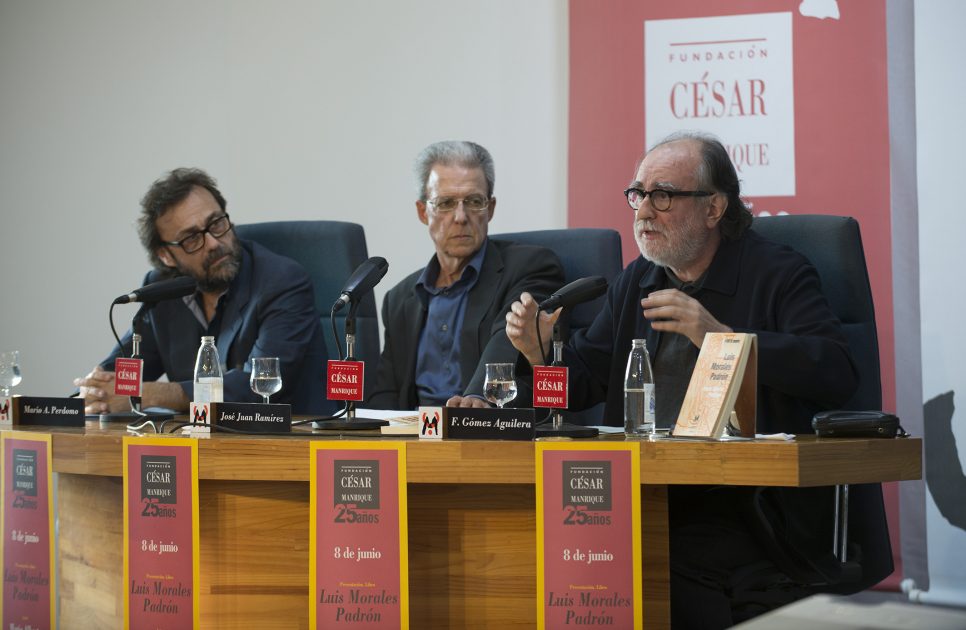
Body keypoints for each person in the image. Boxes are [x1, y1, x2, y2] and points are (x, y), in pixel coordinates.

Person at [506, 131, 877, 626]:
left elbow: (835, 370)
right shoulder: (638, 280)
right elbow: (583, 385)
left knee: (642, 566)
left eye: (662, 195)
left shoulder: (778, 273)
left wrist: (720, 336)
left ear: (714, 207)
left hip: (743, 509)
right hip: (645, 491)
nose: (642, 212)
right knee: (536, 553)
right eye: (638, 194)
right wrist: (539, 355)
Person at [74, 168, 328, 414]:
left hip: (284, 443)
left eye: (216, 223)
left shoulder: (281, 281)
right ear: (166, 256)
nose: (214, 243)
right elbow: (121, 370)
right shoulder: (162, 291)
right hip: (199, 444)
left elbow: (258, 389)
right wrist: (97, 391)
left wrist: (152, 394)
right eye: (192, 238)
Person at [367, 141, 565, 410]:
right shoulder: (400, 299)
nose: (461, 216)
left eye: (474, 202)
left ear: (490, 208)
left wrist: (478, 398)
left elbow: (507, 337)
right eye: (446, 203)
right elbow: (386, 394)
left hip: (487, 435)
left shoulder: (529, 266)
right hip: (414, 440)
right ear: (423, 212)